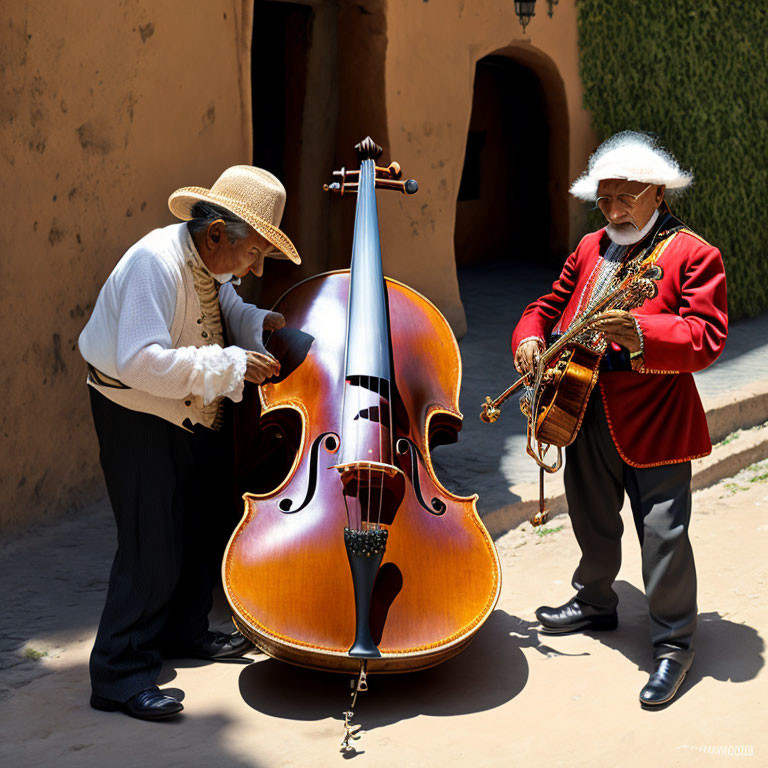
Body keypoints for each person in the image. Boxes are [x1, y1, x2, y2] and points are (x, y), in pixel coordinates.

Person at [511, 132, 728, 706]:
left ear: (657, 191)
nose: (613, 211)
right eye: (604, 200)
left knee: (663, 535)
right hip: (579, 405)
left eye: (625, 198)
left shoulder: (692, 253)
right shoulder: (589, 246)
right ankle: (595, 601)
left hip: (656, 420)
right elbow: (545, 307)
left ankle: (675, 645)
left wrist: (642, 335)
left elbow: (706, 338)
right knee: (591, 517)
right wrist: (530, 338)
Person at [78, 165, 301, 720]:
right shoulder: (154, 263)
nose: (253, 269)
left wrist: (258, 322)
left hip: (189, 410)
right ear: (217, 233)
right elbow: (138, 361)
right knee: (150, 540)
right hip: (137, 411)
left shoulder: (208, 261)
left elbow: (219, 306)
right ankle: (119, 674)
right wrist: (229, 364)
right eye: (252, 255)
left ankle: (183, 631)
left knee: (198, 524)